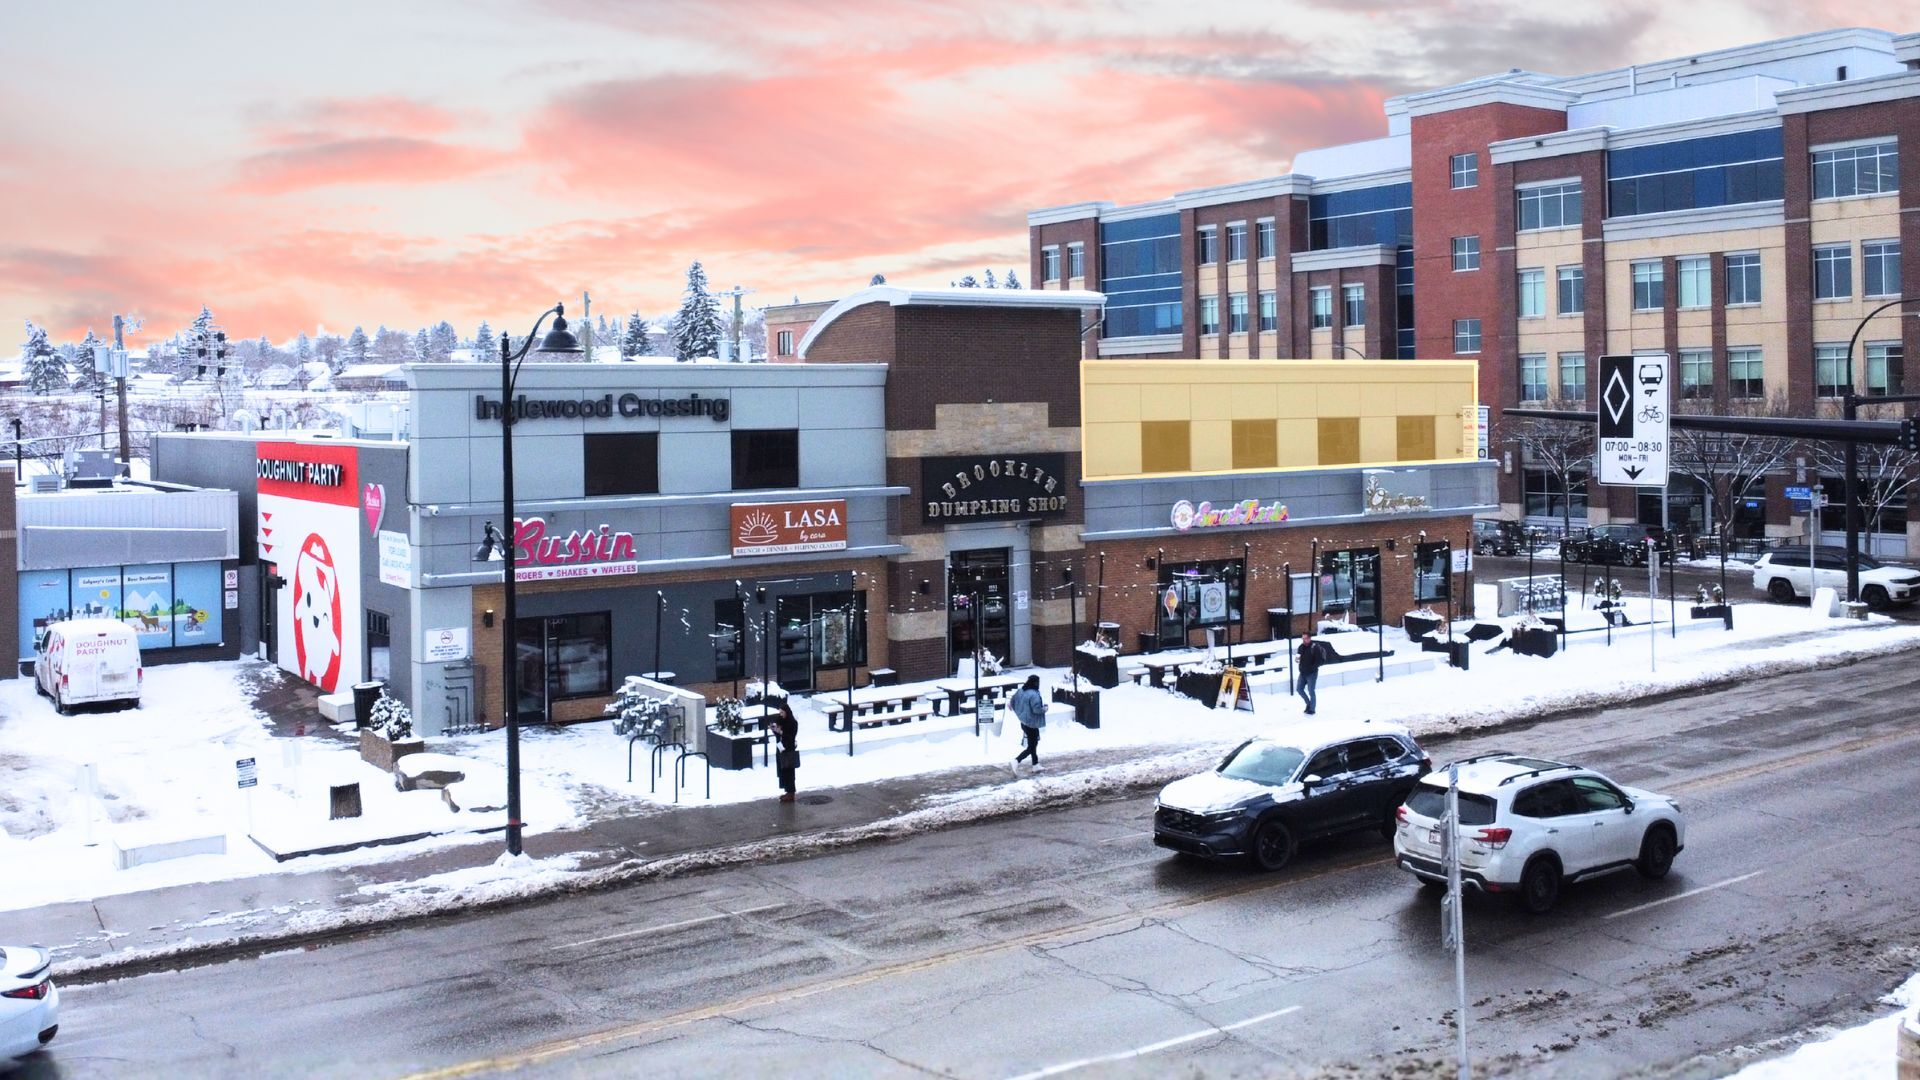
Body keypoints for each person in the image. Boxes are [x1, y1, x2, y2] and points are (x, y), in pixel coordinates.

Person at [1009, 674, 1047, 770]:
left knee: (1033, 743)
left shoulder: (1021, 691)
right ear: (1035, 683)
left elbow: (1012, 702)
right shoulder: (1034, 694)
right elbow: (1036, 709)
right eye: (1038, 682)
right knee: (1032, 746)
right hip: (1032, 724)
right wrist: (1045, 709)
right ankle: (1016, 760)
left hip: (1024, 722)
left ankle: (1035, 764)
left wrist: (1019, 713)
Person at [770, 696, 800, 803]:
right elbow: (777, 731)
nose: (781, 714)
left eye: (782, 712)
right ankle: (787, 790)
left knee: (789, 771)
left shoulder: (792, 723)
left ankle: (791, 792)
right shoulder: (781, 721)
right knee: (782, 770)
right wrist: (774, 729)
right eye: (780, 712)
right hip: (780, 748)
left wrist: (781, 732)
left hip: (788, 749)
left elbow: (791, 737)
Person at [1297, 630, 1324, 715]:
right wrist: (1298, 660)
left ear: (1309, 638)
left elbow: (1320, 660)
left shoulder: (1315, 647)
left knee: (1311, 691)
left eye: (1305, 638)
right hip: (1302, 673)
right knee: (1299, 689)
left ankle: (1312, 709)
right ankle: (1308, 704)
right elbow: (1298, 658)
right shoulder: (1300, 647)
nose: (1304, 640)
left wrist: (1312, 668)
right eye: (1303, 638)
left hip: (1312, 673)